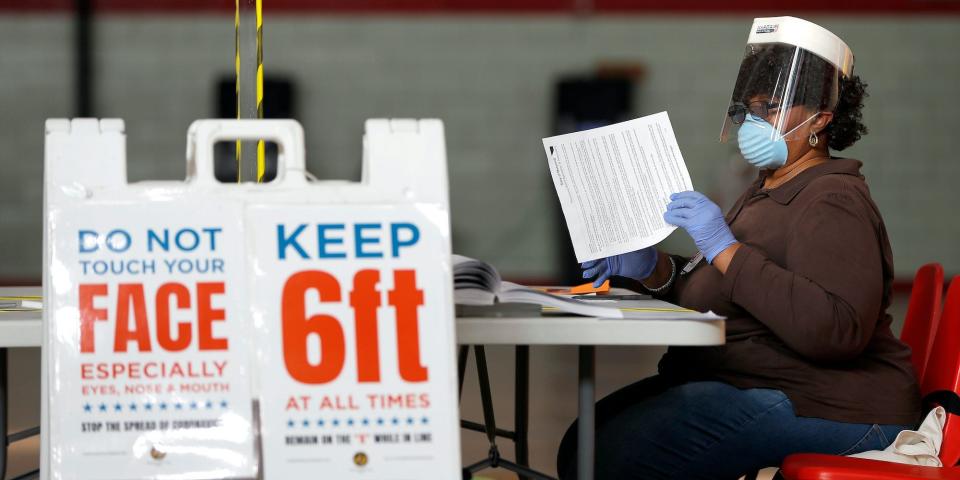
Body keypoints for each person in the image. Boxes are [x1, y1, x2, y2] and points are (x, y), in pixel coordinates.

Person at [556, 16, 920, 480]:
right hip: (764, 383)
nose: (753, 123)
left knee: (608, 456)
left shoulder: (832, 198)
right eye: (748, 111)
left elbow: (836, 331)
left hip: (839, 406)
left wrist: (724, 248)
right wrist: (652, 268)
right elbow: (719, 285)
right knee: (585, 440)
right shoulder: (767, 189)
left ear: (822, 119)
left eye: (770, 109)